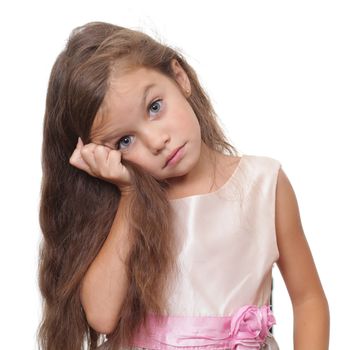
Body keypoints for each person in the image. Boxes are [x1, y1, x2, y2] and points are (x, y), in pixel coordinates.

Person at [38, 21, 329, 350]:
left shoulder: (264, 185)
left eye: (154, 107)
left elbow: (308, 300)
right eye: (125, 140)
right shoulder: (126, 209)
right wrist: (131, 196)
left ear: (179, 77)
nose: (157, 141)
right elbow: (103, 316)